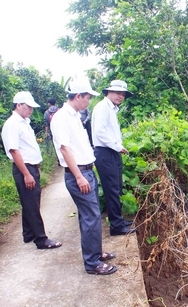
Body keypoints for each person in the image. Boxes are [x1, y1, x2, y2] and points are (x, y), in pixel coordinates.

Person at [50, 79, 117, 275]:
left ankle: (95, 253)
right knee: (91, 217)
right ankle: (92, 263)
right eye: (87, 97)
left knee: (89, 216)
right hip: (79, 173)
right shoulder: (62, 118)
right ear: (78, 96)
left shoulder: (75, 116)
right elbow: (64, 148)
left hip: (87, 170)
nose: (89, 101)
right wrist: (79, 177)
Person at [1, 91, 62, 250]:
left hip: (30, 167)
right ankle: (41, 239)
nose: (31, 110)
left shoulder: (24, 122)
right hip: (24, 169)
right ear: (18, 105)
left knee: (30, 202)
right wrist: (27, 174)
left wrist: (35, 168)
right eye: (28, 107)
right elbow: (15, 152)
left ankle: (28, 233)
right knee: (32, 205)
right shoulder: (12, 124)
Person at [91, 80, 136, 236]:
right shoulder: (102, 108)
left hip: (113, 152)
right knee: (111, 190)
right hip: (105, 152)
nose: (121, 96)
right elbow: (100, 132)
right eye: (118, 93)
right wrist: (117, 146)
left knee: (116, 187)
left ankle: (118, 220)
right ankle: (116, 227)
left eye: (123, 94)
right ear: (108, 92)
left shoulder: (111, 109)